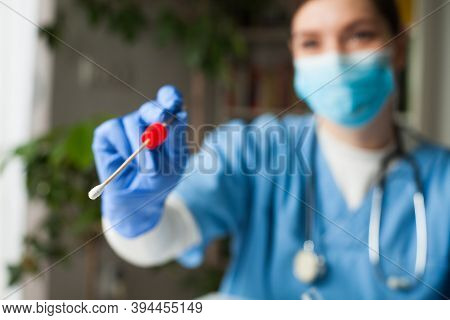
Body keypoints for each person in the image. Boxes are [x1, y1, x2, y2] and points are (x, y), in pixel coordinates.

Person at [92, 0, 450, 299]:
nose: (336, 59)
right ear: (293, 56)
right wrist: (134, 216)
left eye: (359, 35)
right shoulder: (255, 147)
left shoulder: (442, 182)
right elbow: (170, 234)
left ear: (398, 49)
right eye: (311, 43)